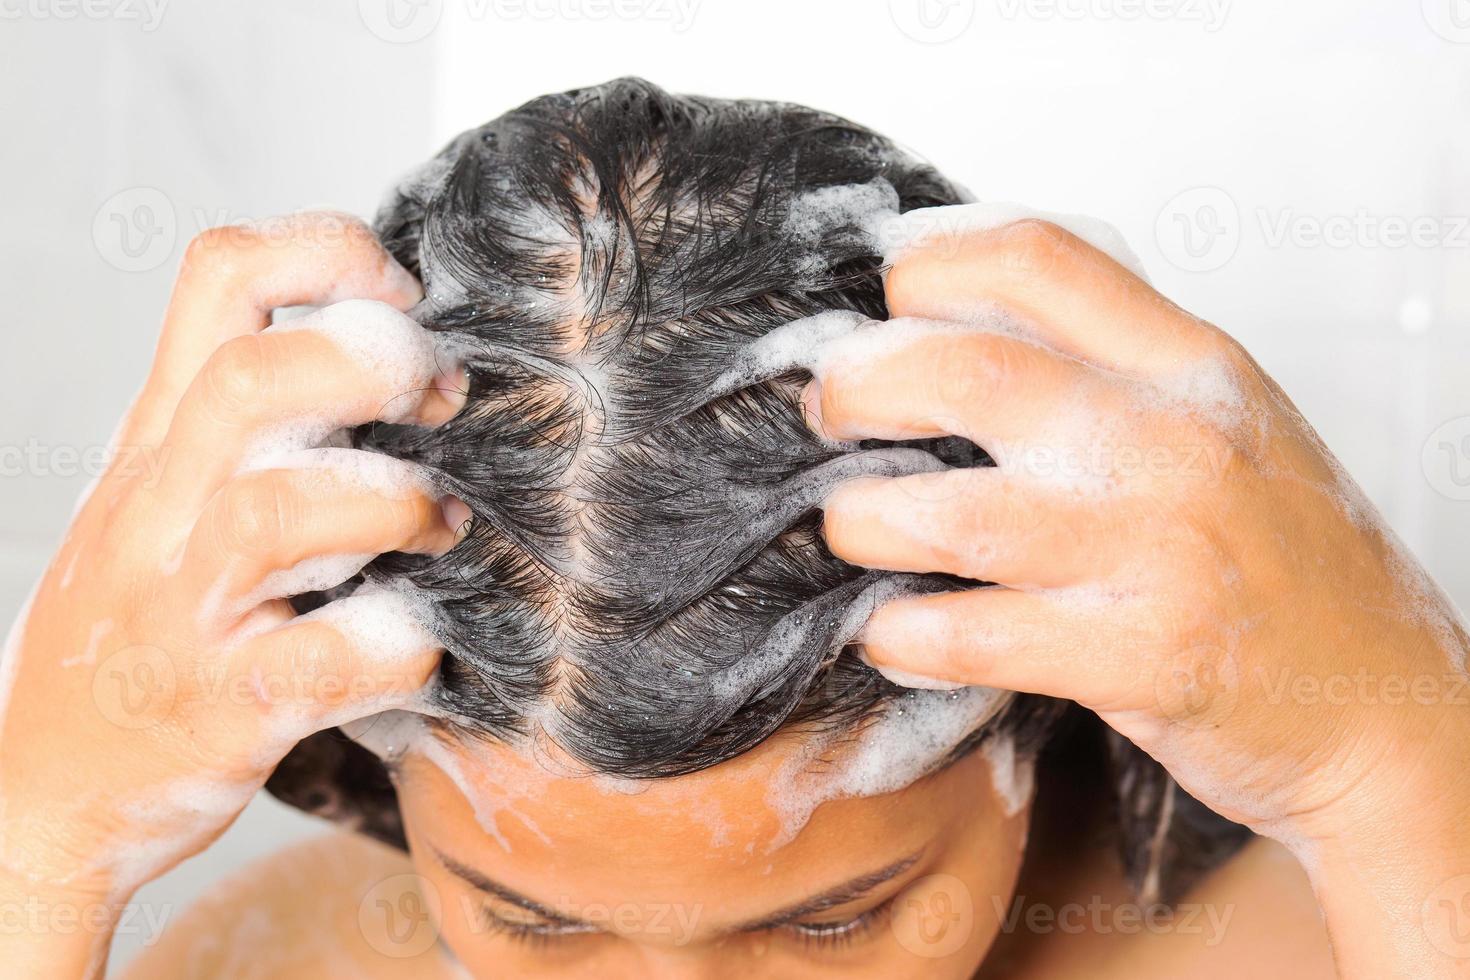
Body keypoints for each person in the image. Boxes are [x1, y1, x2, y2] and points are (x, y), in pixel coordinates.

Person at [1, 79, 1464, 979]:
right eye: (533, 925)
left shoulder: (1309, 948)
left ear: (1042, 720)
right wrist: (42, 848)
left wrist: (1395, 772)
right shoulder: (280, 961)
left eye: (830, 925)